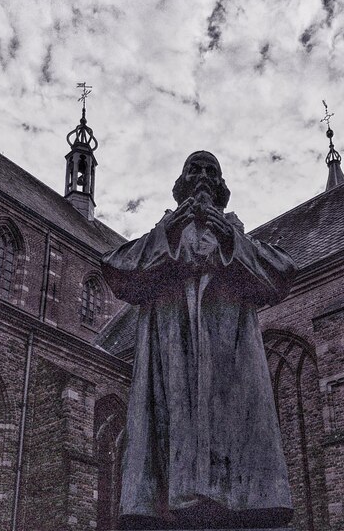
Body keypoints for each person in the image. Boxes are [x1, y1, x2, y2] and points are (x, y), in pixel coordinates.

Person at [101, 151, 296, 529]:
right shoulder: (161, 235)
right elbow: (116, 269)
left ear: (222, 187)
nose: (203, 175)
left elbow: (282, 274)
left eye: (212, 170)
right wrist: (170, 231)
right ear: (181, 182)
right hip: (170, 358)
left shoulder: (238, 237)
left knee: (233, 454)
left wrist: (228, 238)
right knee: (170, 448)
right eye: (195, 168)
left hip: (231, 361)